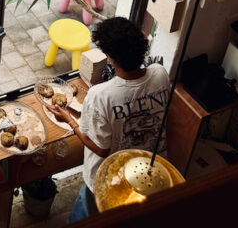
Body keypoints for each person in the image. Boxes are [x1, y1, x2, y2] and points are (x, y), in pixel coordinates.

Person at [43, 17, 170, 222]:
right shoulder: (160, 73)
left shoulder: (101, 95)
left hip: (110, 178)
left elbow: (102, 149)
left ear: (110, 57)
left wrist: (70, 120)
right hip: (150, 172)